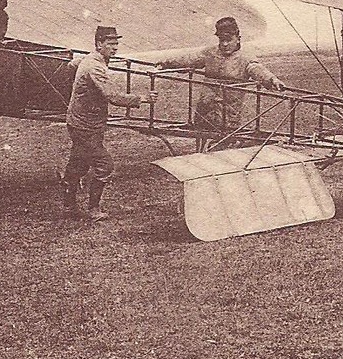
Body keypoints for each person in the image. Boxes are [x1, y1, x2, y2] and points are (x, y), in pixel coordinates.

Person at [63, 26, 157, 221]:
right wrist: (142, 97)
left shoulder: (93, 59)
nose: (115, 48)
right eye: (110, 44)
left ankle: (68, 205)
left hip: (87, 122)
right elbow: (111, 95)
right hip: (84, 125)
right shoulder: (94, 66)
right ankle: (93, 209)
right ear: (99, 44)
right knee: (105, 165)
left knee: (79, 163)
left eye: (116, 44)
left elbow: (71, 66)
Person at [154, 16, 286, 137]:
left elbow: (257, 69)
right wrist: (167, 63)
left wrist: (272, 80)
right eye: (221, 40)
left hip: (228, 115)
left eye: (228, 40)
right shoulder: (210, 53)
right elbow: (189, 59)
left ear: (238, 38)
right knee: (203, 137)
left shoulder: (245, 58)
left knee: (223, 142)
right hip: (205, 111)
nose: (224, 44)